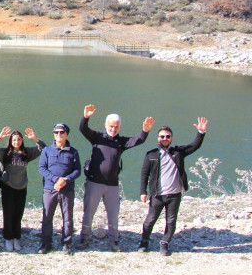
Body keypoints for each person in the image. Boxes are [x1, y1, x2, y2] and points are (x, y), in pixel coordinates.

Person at [77, 105, 155, 251]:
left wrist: (145, 130)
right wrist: (86, 117)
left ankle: (114, 241)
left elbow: (138, 140)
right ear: (106, 125)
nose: (113, 129)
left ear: (119, 127)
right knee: (88, 212)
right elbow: (83, 129)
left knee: (113, 214)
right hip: (94, 182)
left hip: (112, 185)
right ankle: (84, 238)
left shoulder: (121, 142)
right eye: (111, 126)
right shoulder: (97, 137)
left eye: (116, 127)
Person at [139, 117, 208, 256]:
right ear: (158, 138)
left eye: (167, 136)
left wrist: (200, 132)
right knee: (150, 220)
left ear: (172, 138)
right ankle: (144, 241)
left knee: (171, 221)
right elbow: (144, 174)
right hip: (157, 194)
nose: (165, 138)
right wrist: (143, 192)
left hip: (175, 195)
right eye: (162, 136)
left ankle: (164, 243)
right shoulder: (151, 154)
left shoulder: (178, 152)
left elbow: (195, 145)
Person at [0, 126, 46, 252]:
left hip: (22, 188)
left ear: (22, 141)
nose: (17, 142)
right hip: (8, 188)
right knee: (8, 214)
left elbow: (44, 149)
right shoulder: (5, 153)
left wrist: (35, 139)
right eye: (14, 140)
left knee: (18, 214)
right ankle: (8, 238)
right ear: (10, 141)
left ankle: (17, 237)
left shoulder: (26, 153)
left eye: (19, 140)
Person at [38, 123, 81, 255]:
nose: (59, 135)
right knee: (47, 217)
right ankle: (46, 243)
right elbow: (42, 168)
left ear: (66, 134)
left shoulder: (73, 152)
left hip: (67, 190)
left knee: (67, 217)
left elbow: (78, 170)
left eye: (62, 132)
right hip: (50, 189)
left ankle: (67, 243)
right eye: (56, 132)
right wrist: (56, 179)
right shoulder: (47, 151)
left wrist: (65, 179)